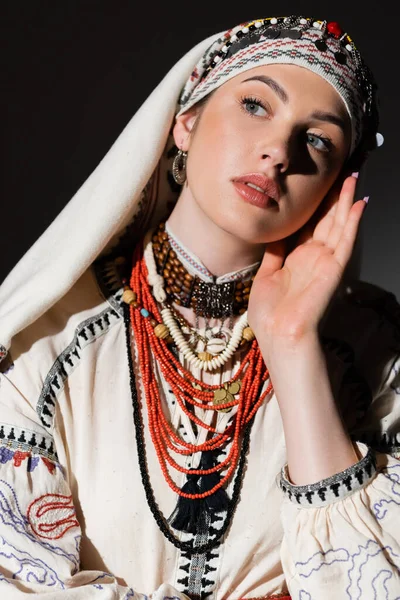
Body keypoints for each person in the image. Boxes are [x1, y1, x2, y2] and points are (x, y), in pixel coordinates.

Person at [0, 13, 399, 600]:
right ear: (185, 122)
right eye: (257, 105)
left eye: (318, 140)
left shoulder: (375, 348)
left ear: (337, 182)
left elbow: (374, 583)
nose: (277, 151)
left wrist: (291, 344)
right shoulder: (44, 338)